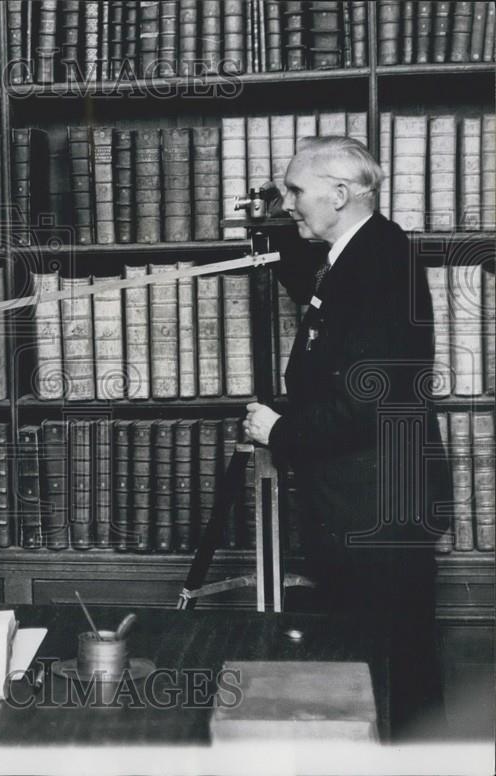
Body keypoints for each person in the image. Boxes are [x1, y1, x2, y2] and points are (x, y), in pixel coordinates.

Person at [243, 136, 449, 740]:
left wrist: (280, 431)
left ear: (340, 193)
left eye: (297, 192)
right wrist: (271, 210)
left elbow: (371, 398)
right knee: (377, 641)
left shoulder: (377, 260)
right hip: (367, 492)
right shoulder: (357, 251)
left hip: (378, 498)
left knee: (388, 647)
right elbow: (310, 281)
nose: (290, 203)